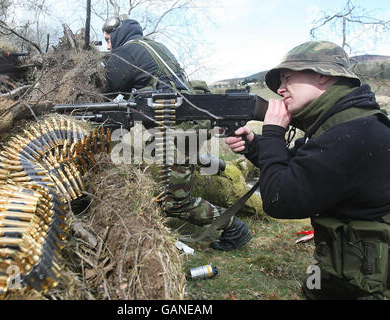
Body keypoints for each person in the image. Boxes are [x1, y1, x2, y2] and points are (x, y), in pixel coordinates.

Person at [225, 40, 390, 299]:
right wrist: (255, 146)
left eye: (288, 78)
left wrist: (273, 133)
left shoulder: (352, 132)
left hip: (370, 282)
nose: (280, 89)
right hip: (344, 264)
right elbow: (300, 168)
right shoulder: (341, 123)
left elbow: (280, 200)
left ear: (323, 75)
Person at [102, 16, 252, 251]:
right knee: (165, 156)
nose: (108, 47)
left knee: (175, 205)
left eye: (108, 40)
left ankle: (234, 227)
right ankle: (216, 166)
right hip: (187, 125)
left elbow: (105, 90)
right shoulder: (154, 47)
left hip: (178, 131)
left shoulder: (126, 53)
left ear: (118, 34)